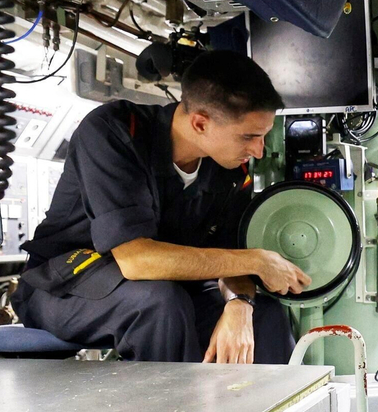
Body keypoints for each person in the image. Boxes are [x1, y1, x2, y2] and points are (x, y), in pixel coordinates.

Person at [15, 49, 312, 363]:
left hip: (167, 291)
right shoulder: (115, 132)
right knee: (159, 305)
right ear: (200, 124)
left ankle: (258, 410)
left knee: (265, 316)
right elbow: (136, 261)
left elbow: (231, 258)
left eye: (263, 136)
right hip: (66, 286)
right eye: (250, 137)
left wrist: (239, 303)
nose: (259, 151)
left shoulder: (229, 173)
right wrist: (257, 261)